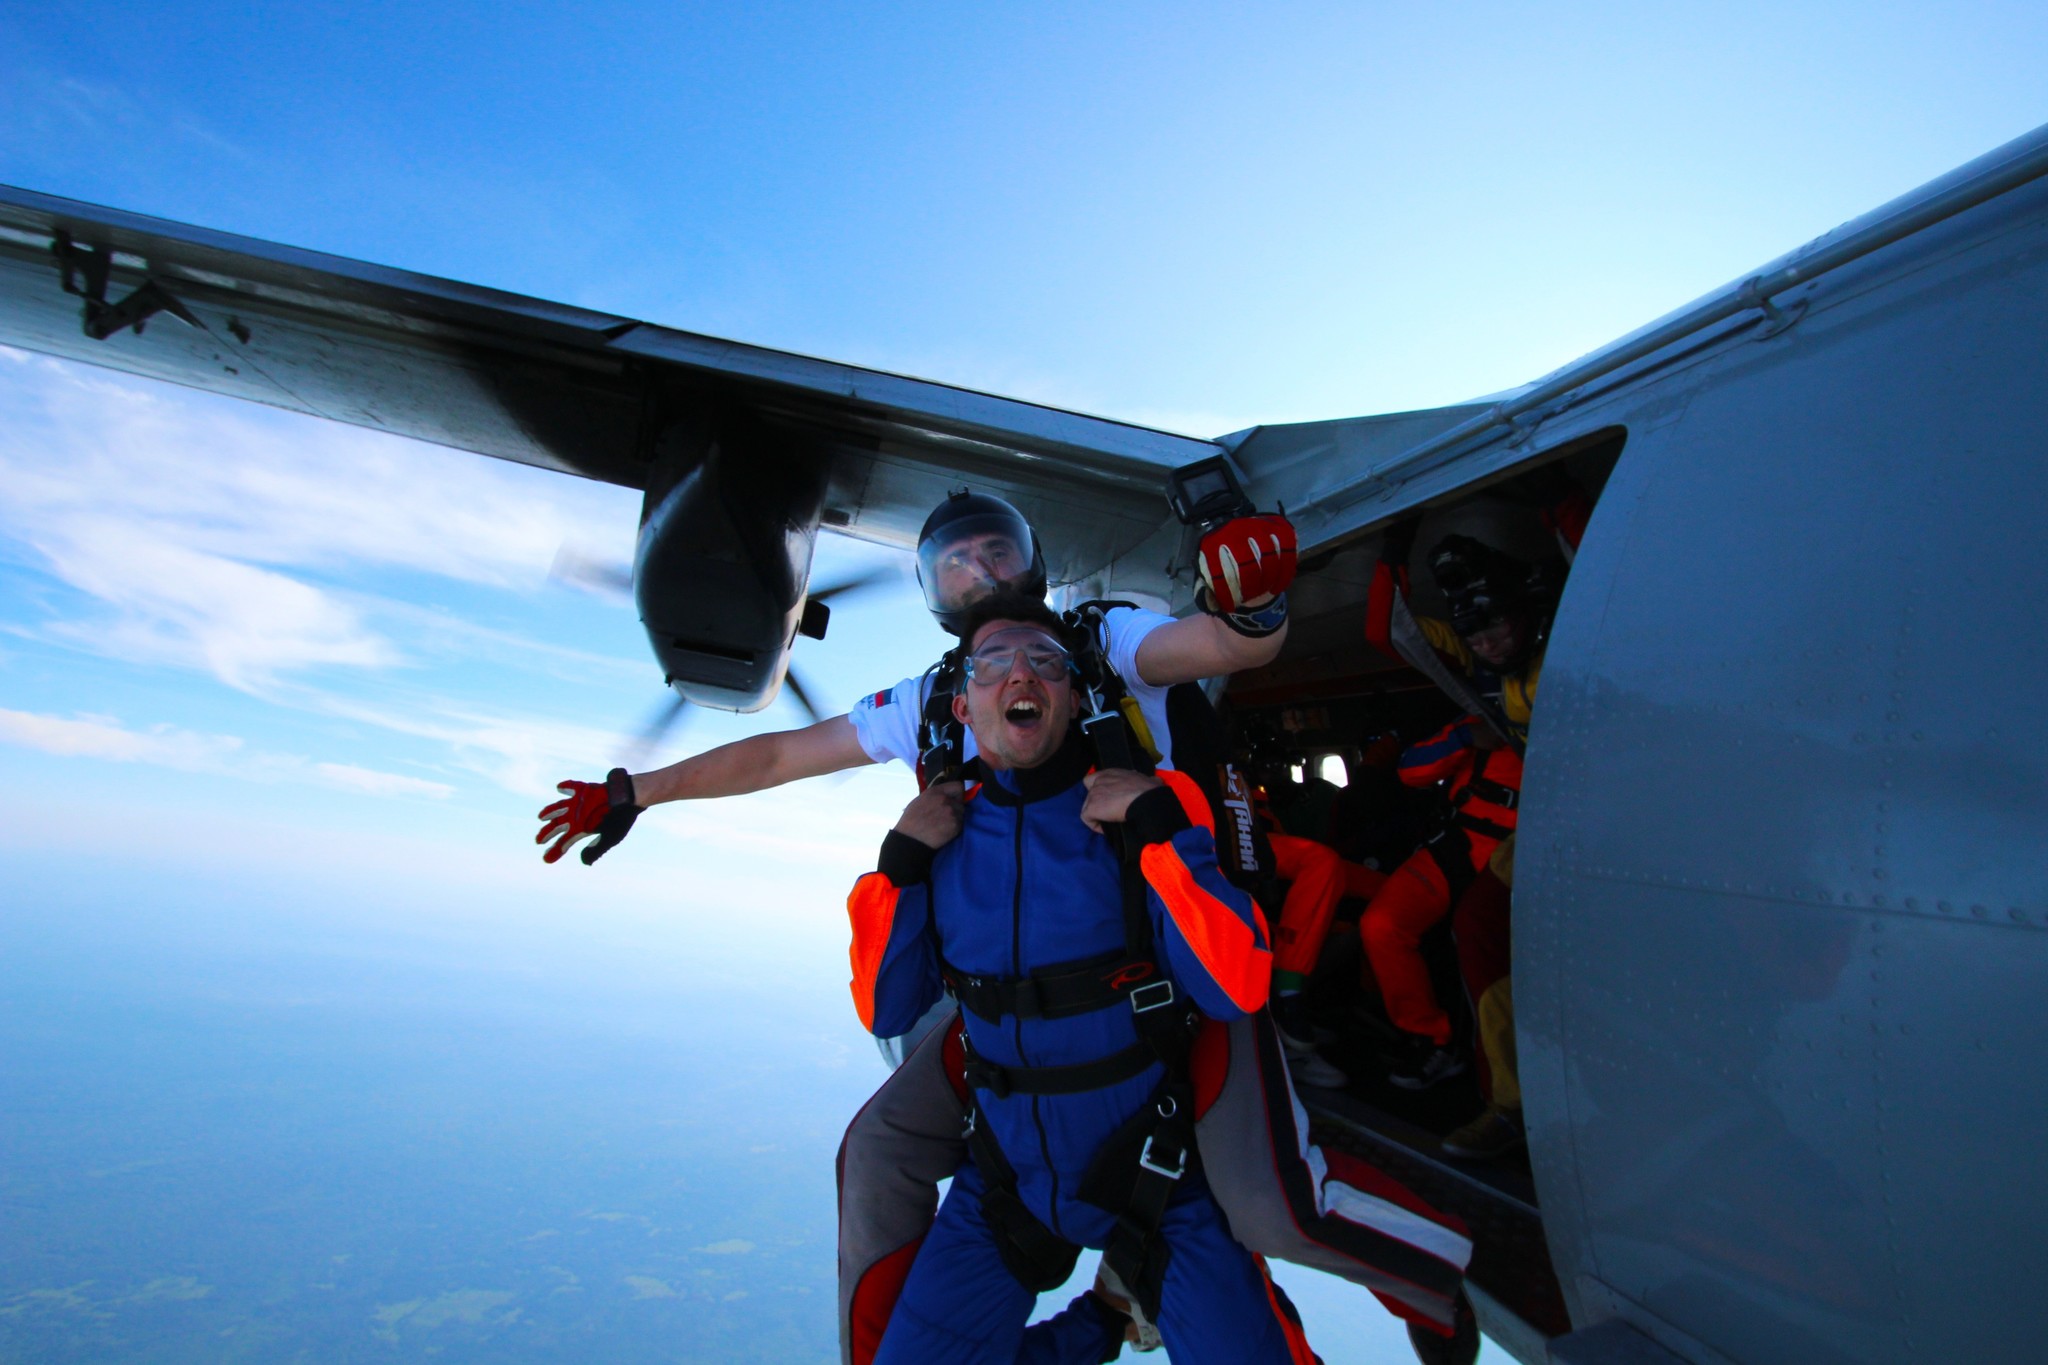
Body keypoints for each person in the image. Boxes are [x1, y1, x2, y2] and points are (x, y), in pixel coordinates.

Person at [846, 602, 1317, 1363]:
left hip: (1161, 1184)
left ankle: (1126, 1301)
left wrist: (1162, 829)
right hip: (1006, 1188)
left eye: (1047, 662)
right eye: (993, 663)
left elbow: (1234, 987)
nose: (1022, 673)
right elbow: (886, 1006)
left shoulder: (1133, 818)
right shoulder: (940, 839)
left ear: (1069, 701)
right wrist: (897, 865)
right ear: (964, 708)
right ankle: (1101, 1320)